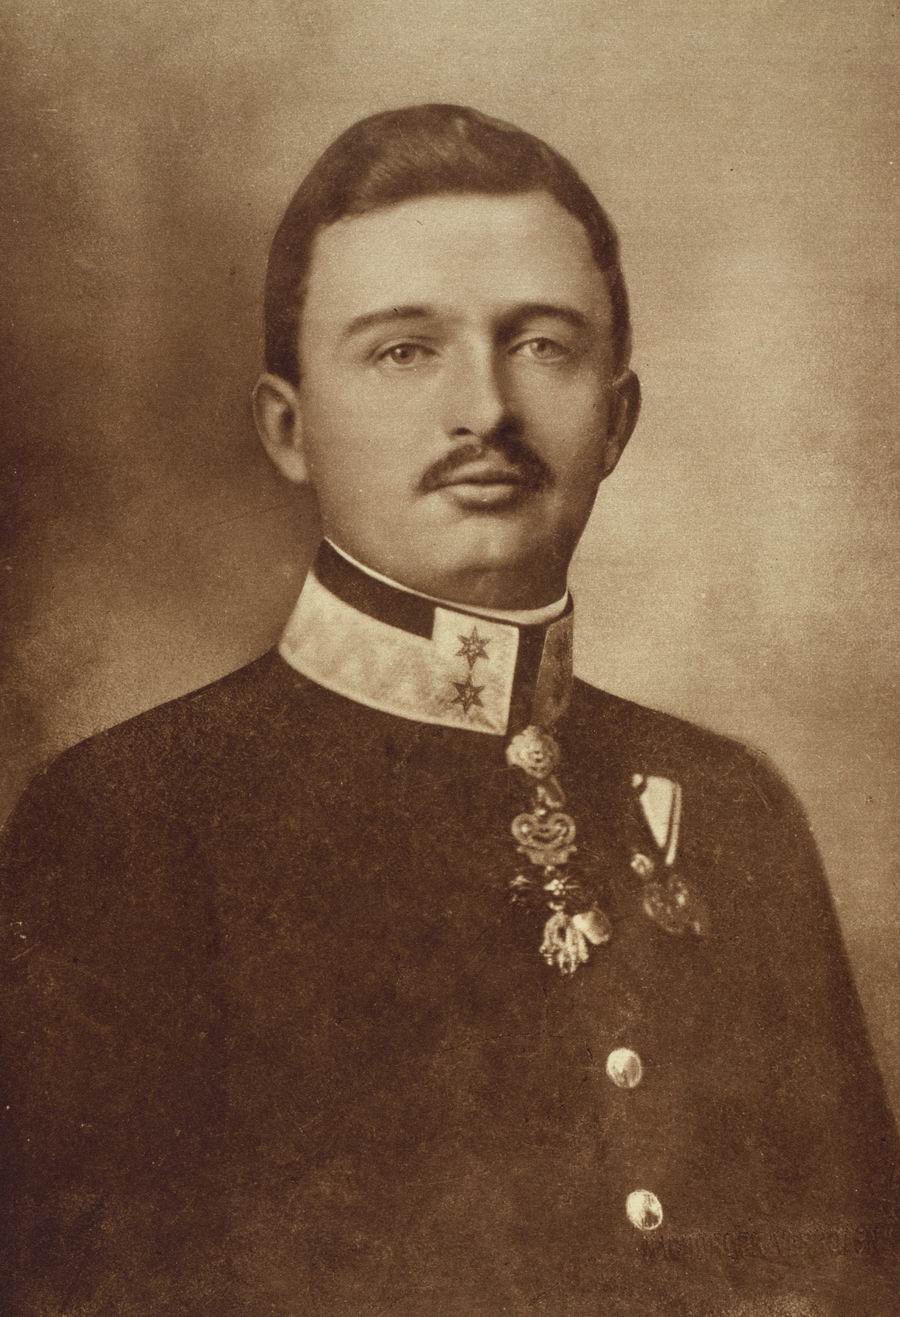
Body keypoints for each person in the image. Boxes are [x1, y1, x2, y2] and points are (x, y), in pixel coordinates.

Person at [1, 104, 896, 1316]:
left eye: (543, 345)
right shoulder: (129, 824)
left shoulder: (736, 808)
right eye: (404, 350)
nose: (486, 409)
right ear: (288, 429)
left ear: (618, 419)